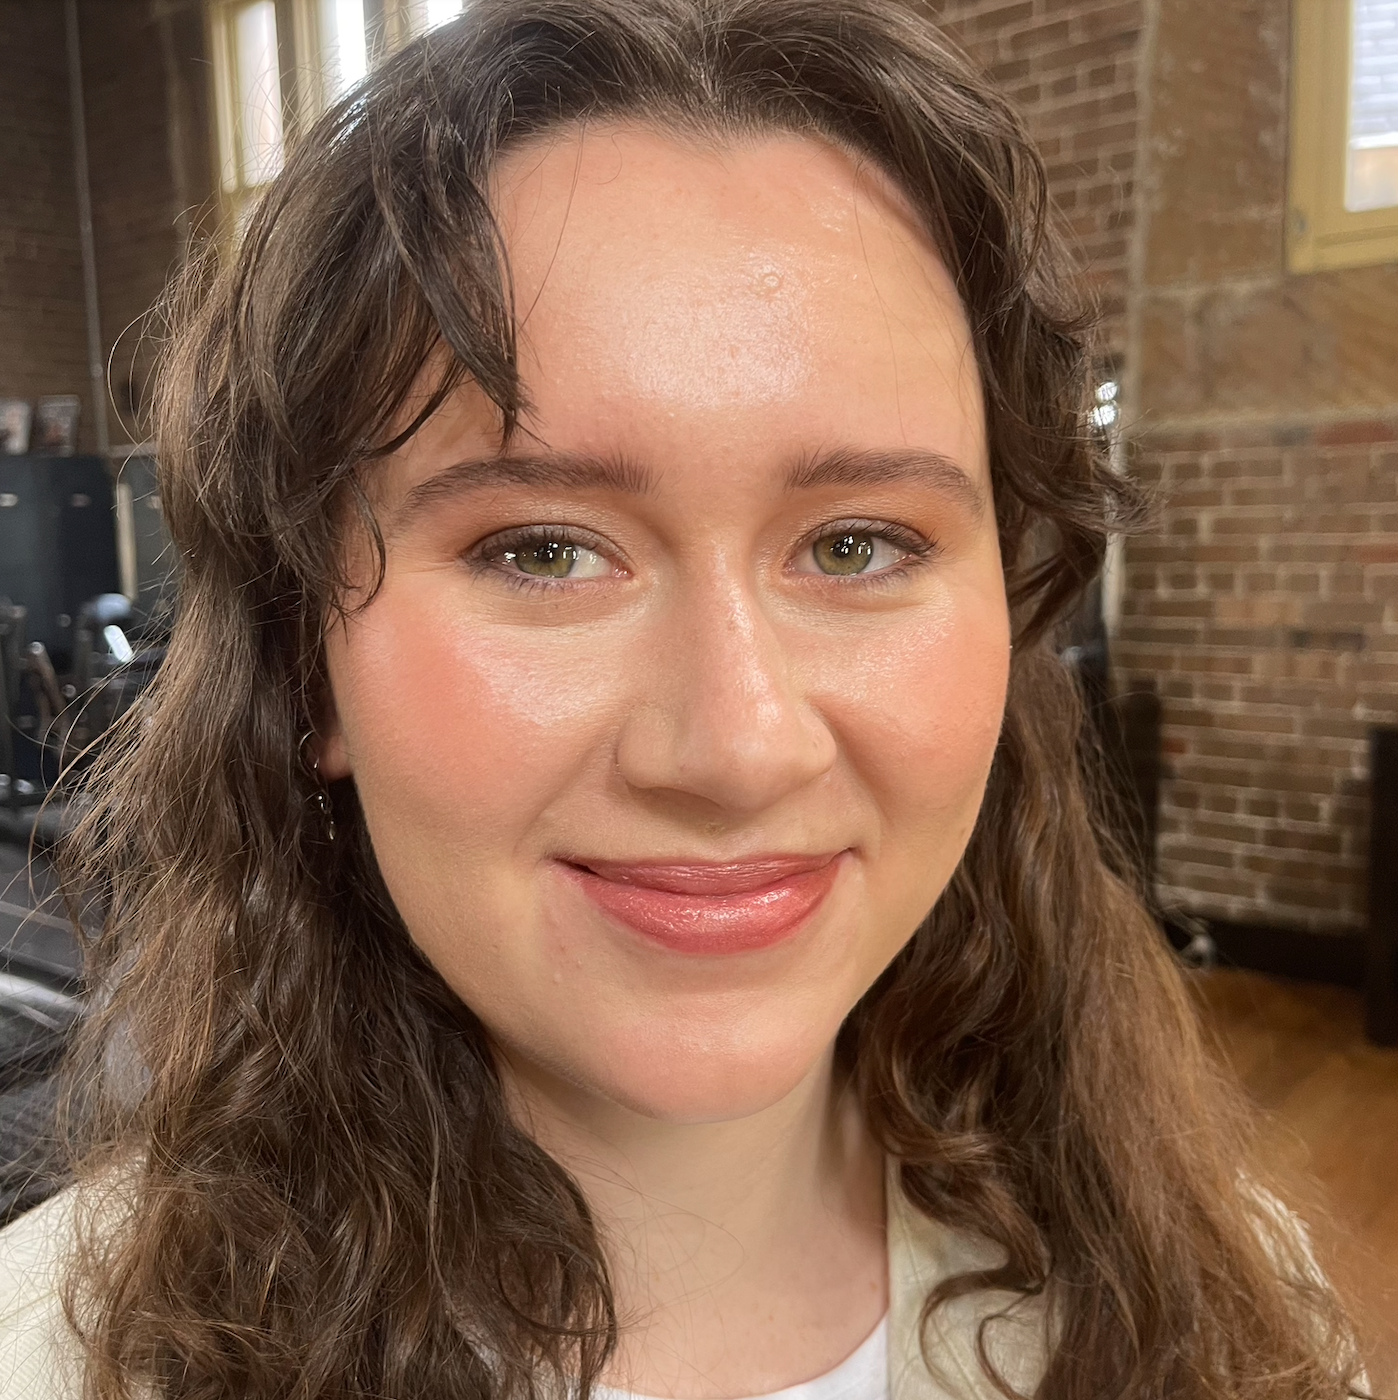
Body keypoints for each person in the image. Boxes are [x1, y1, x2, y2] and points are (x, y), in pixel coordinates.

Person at [0, 2, 1366, 1397]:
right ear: (305, 665)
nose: (736, 745)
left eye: (856, 544)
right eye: (542, 551)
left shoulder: (1234, 1303)